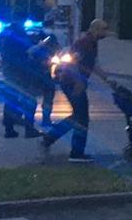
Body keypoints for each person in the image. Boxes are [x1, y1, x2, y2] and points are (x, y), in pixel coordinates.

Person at [43, 18, 113, 162]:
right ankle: (76, 153)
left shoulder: (91, 43)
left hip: (71, 82)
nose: (106, 32)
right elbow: (72, 62)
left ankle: (50, 137)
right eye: (104, 29)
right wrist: (78, 81)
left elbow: (92, 64)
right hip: (72, 83)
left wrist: (107, 79)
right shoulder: (85, 43)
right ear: (95, 29)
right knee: (82, 119)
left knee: (77, 116)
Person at [0, 20, 41, 139]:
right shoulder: (19, 33)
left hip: (8, 70)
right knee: (30, 100)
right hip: (21, 71)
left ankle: (9, 129)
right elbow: (27, 49)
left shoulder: (5, 33)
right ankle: (29, 129)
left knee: (10, 100)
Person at [33, 26, 61, 127]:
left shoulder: (40, 43)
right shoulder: (42, 45)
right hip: (39, 74)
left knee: (46, 95)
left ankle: (44, 119)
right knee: (47, 95)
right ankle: (45, 119)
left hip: (41, 74)